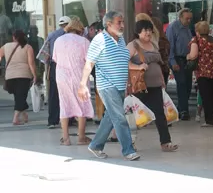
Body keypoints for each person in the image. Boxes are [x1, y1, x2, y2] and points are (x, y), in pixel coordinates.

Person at [77, 11, 139, 161]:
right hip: (107, 85)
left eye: (122, 22)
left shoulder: (121, 39)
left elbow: (123, 60)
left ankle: (96, 145)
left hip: (119, 85)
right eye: (119, 22)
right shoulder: (99, 40)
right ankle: (128, 150)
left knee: (110, 117)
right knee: (119, 117)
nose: (122, 25)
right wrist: (82, 85)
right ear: (108, 24)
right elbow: (89, 63)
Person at [129, 20, 178, 152]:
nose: (148, 33)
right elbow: (123, 63)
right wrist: (138, 67)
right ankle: (130, 142)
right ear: (138, 32)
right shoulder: (133, 45)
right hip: (140, 86)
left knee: (160, 114)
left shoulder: (153, 45)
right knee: (137, 115)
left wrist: (161, 79)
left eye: (150, 30)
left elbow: (158, 64)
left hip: (155, 85)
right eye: (145, 30)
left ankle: (166, 142)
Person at [51, 18, 93, 145]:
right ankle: (81, 137)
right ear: (80, 29)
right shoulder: (84, 42)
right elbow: (89, 61)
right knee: (82, 104)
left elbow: (55, 59)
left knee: (64, 104)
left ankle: (66, 138)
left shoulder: (58, 40)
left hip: (62, 76)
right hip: (79, 76)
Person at [187, 21, 213, 127]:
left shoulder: (196, 40)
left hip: (203, 73)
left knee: (205, 96)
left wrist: (188, 56)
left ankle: (209, 120)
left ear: (197, 31)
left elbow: (194, 55)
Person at [2, 29, 37, 126]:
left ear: (13, 37)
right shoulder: (28, 47)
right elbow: (31, 63)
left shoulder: (6, 46)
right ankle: (15, 118)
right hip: (24, 75)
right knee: (21, 96)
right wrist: (34, 75)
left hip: (10, 76)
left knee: (18, 96)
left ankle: (25, 115)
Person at [41, 16, 71, 129]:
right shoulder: (73, 36)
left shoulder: (51, 35)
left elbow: (44, 54)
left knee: (54, 93)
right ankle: (69, 119)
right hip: (69, 66)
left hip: (55, 65)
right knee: (68, 92)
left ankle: (52, 120)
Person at [166, 8, 195, 120]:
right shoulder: (173, 27)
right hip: (177, 58)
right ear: (180, 17)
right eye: (187, 18)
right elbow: (170, 46)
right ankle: (184, 110)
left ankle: (181, 107)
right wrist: (172, 61)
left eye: (190, 19)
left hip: (187, 59)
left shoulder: (188, 28)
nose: (189, 21)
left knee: (188, 85)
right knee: (182, 83)